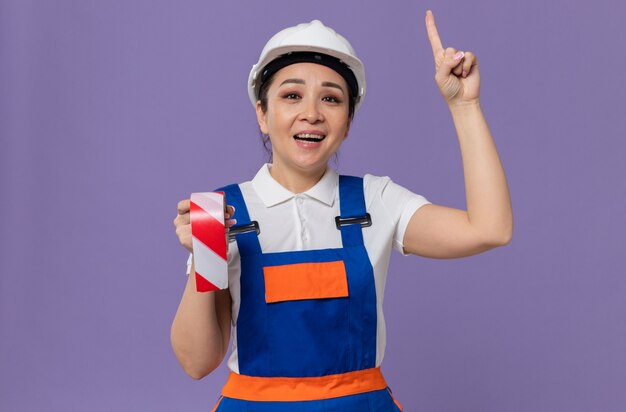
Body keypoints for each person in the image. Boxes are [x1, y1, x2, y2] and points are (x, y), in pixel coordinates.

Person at [171, 10, 512, 411]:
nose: (311, 112)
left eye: (331, 98)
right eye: (291, 95)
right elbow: (197, 362)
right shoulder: (219, 213)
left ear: (348, 122)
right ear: (263, 114)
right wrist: (204, 255)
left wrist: (464, 106)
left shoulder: (377, 201)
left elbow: (490, 229)